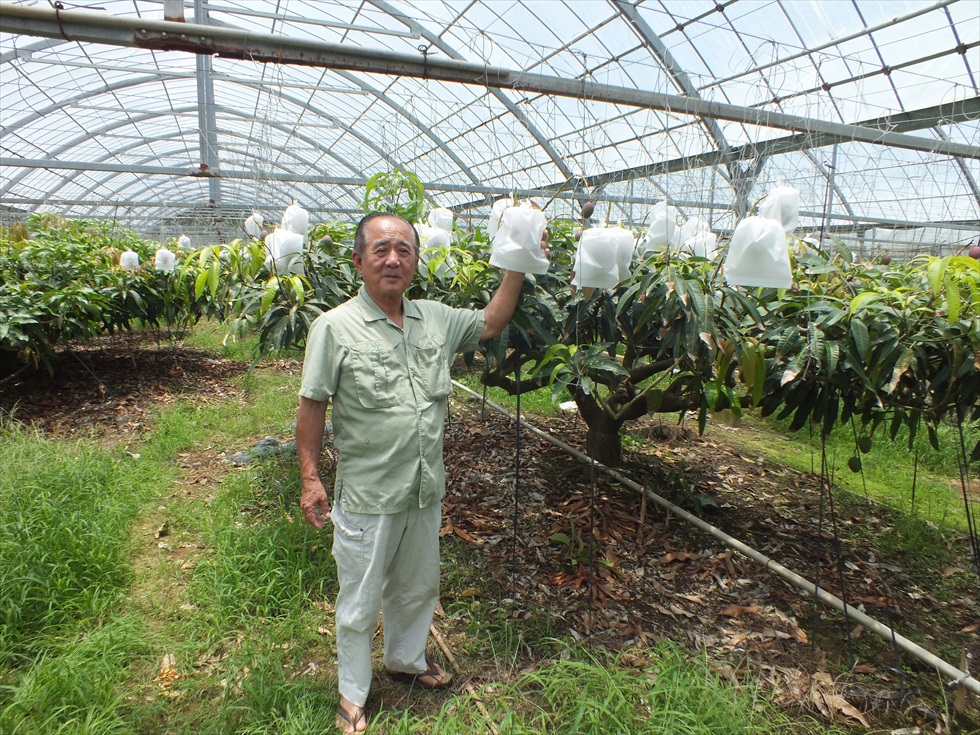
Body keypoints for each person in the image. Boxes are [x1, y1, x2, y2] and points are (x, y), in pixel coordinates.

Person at [296, 211, 547, 733]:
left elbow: (491, 322)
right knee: (359, 598)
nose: (393, 259)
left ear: (415, 261)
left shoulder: (434, 319)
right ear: (358, 261)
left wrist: (518, 261)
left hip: (424, 487)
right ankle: (352, 691)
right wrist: (311, 478)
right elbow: (313, 404)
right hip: (369, 493)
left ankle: (405, 660)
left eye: (404, 250)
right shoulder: (334, 327)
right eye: (381, 249)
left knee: (417, 587)